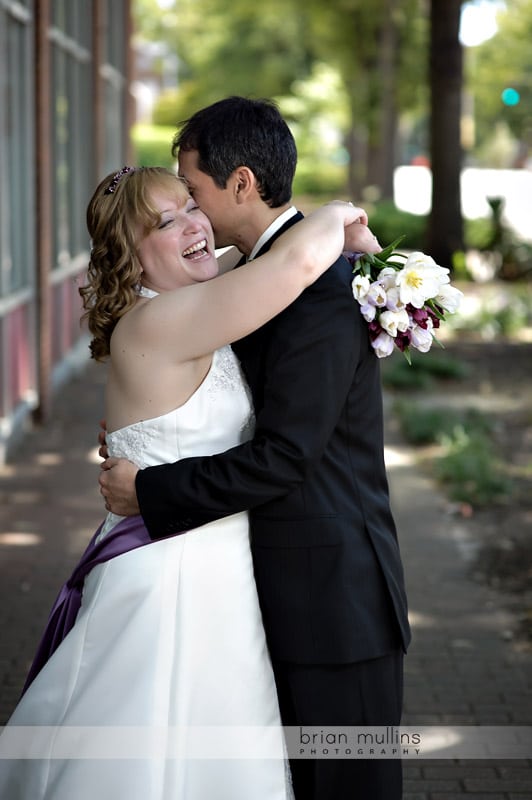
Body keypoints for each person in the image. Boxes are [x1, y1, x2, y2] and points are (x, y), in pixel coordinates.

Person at [0, 165, 370, 800]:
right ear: (130, 259)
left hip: (211, 568)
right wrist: (338, 215)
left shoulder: (183, 309)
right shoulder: (161, 322)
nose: (194, 224)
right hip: (171, 578)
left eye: (190, 206)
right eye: (163, 224)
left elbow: (260, 276)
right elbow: (289, 269)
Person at [99, 97, 411, 800]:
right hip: (264, 596)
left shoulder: (317, 293)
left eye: (195, 195)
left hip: (336, 608)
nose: (196, 217)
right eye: (174, 212)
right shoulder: (252, 282)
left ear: (240, 183)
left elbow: (285, 456)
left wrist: (147, 490)